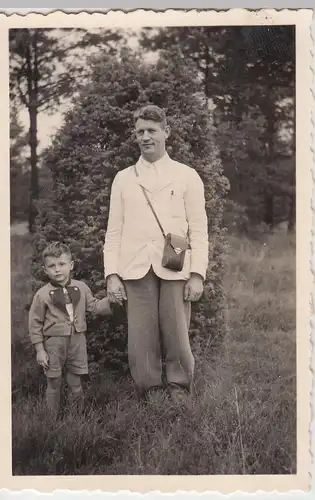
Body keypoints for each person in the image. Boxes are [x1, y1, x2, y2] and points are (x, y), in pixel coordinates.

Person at [103, 105, 209, 404]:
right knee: (140, 337)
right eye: (140, 132)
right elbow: (113, 232)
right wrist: (112, 274)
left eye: (152, 130)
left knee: (176, 331)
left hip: (175, 266)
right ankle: (151, 391)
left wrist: (198, 274)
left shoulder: (187, 176)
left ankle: (179, 389)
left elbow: (199, 231)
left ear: (167, 132)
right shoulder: (124, 178)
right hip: (134, 267)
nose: (145, 137)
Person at [28, 242, 112, 414]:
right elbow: (35, 323)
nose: (57, 269)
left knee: (75, 381)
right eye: (52, 266)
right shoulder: (42, 294)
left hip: (77, 342)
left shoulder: (81, 287)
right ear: (45, 270)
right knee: (54, 381)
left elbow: (94, 306)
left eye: (61, 264)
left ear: (71, 265)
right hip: (53, 344)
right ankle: (52, 419)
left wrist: (112, 300)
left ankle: (77, 417)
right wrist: (39, 350)